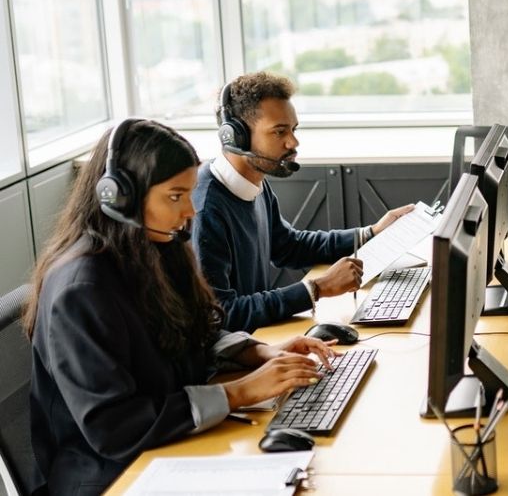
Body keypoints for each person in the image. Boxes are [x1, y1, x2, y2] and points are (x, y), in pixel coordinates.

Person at [25, 119, 338, 496]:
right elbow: (114, 427)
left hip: (165, 450)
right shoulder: (81, 289)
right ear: (119, 197)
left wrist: (258, 352)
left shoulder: (152, 247)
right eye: (175, 196)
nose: (190, 210)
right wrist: (239, 393)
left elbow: (194, 329)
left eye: (188, 194)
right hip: (110, 476)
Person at [191, 73, 415, 331]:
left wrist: (371, 233)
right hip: (235, 360)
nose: (293, 142)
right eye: (279, 131)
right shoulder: (206, 209)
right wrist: (316, 288)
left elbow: (289, 246)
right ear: (236, 137)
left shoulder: (255, 183)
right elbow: (222, 314)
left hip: (260, 343)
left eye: (293, 129)